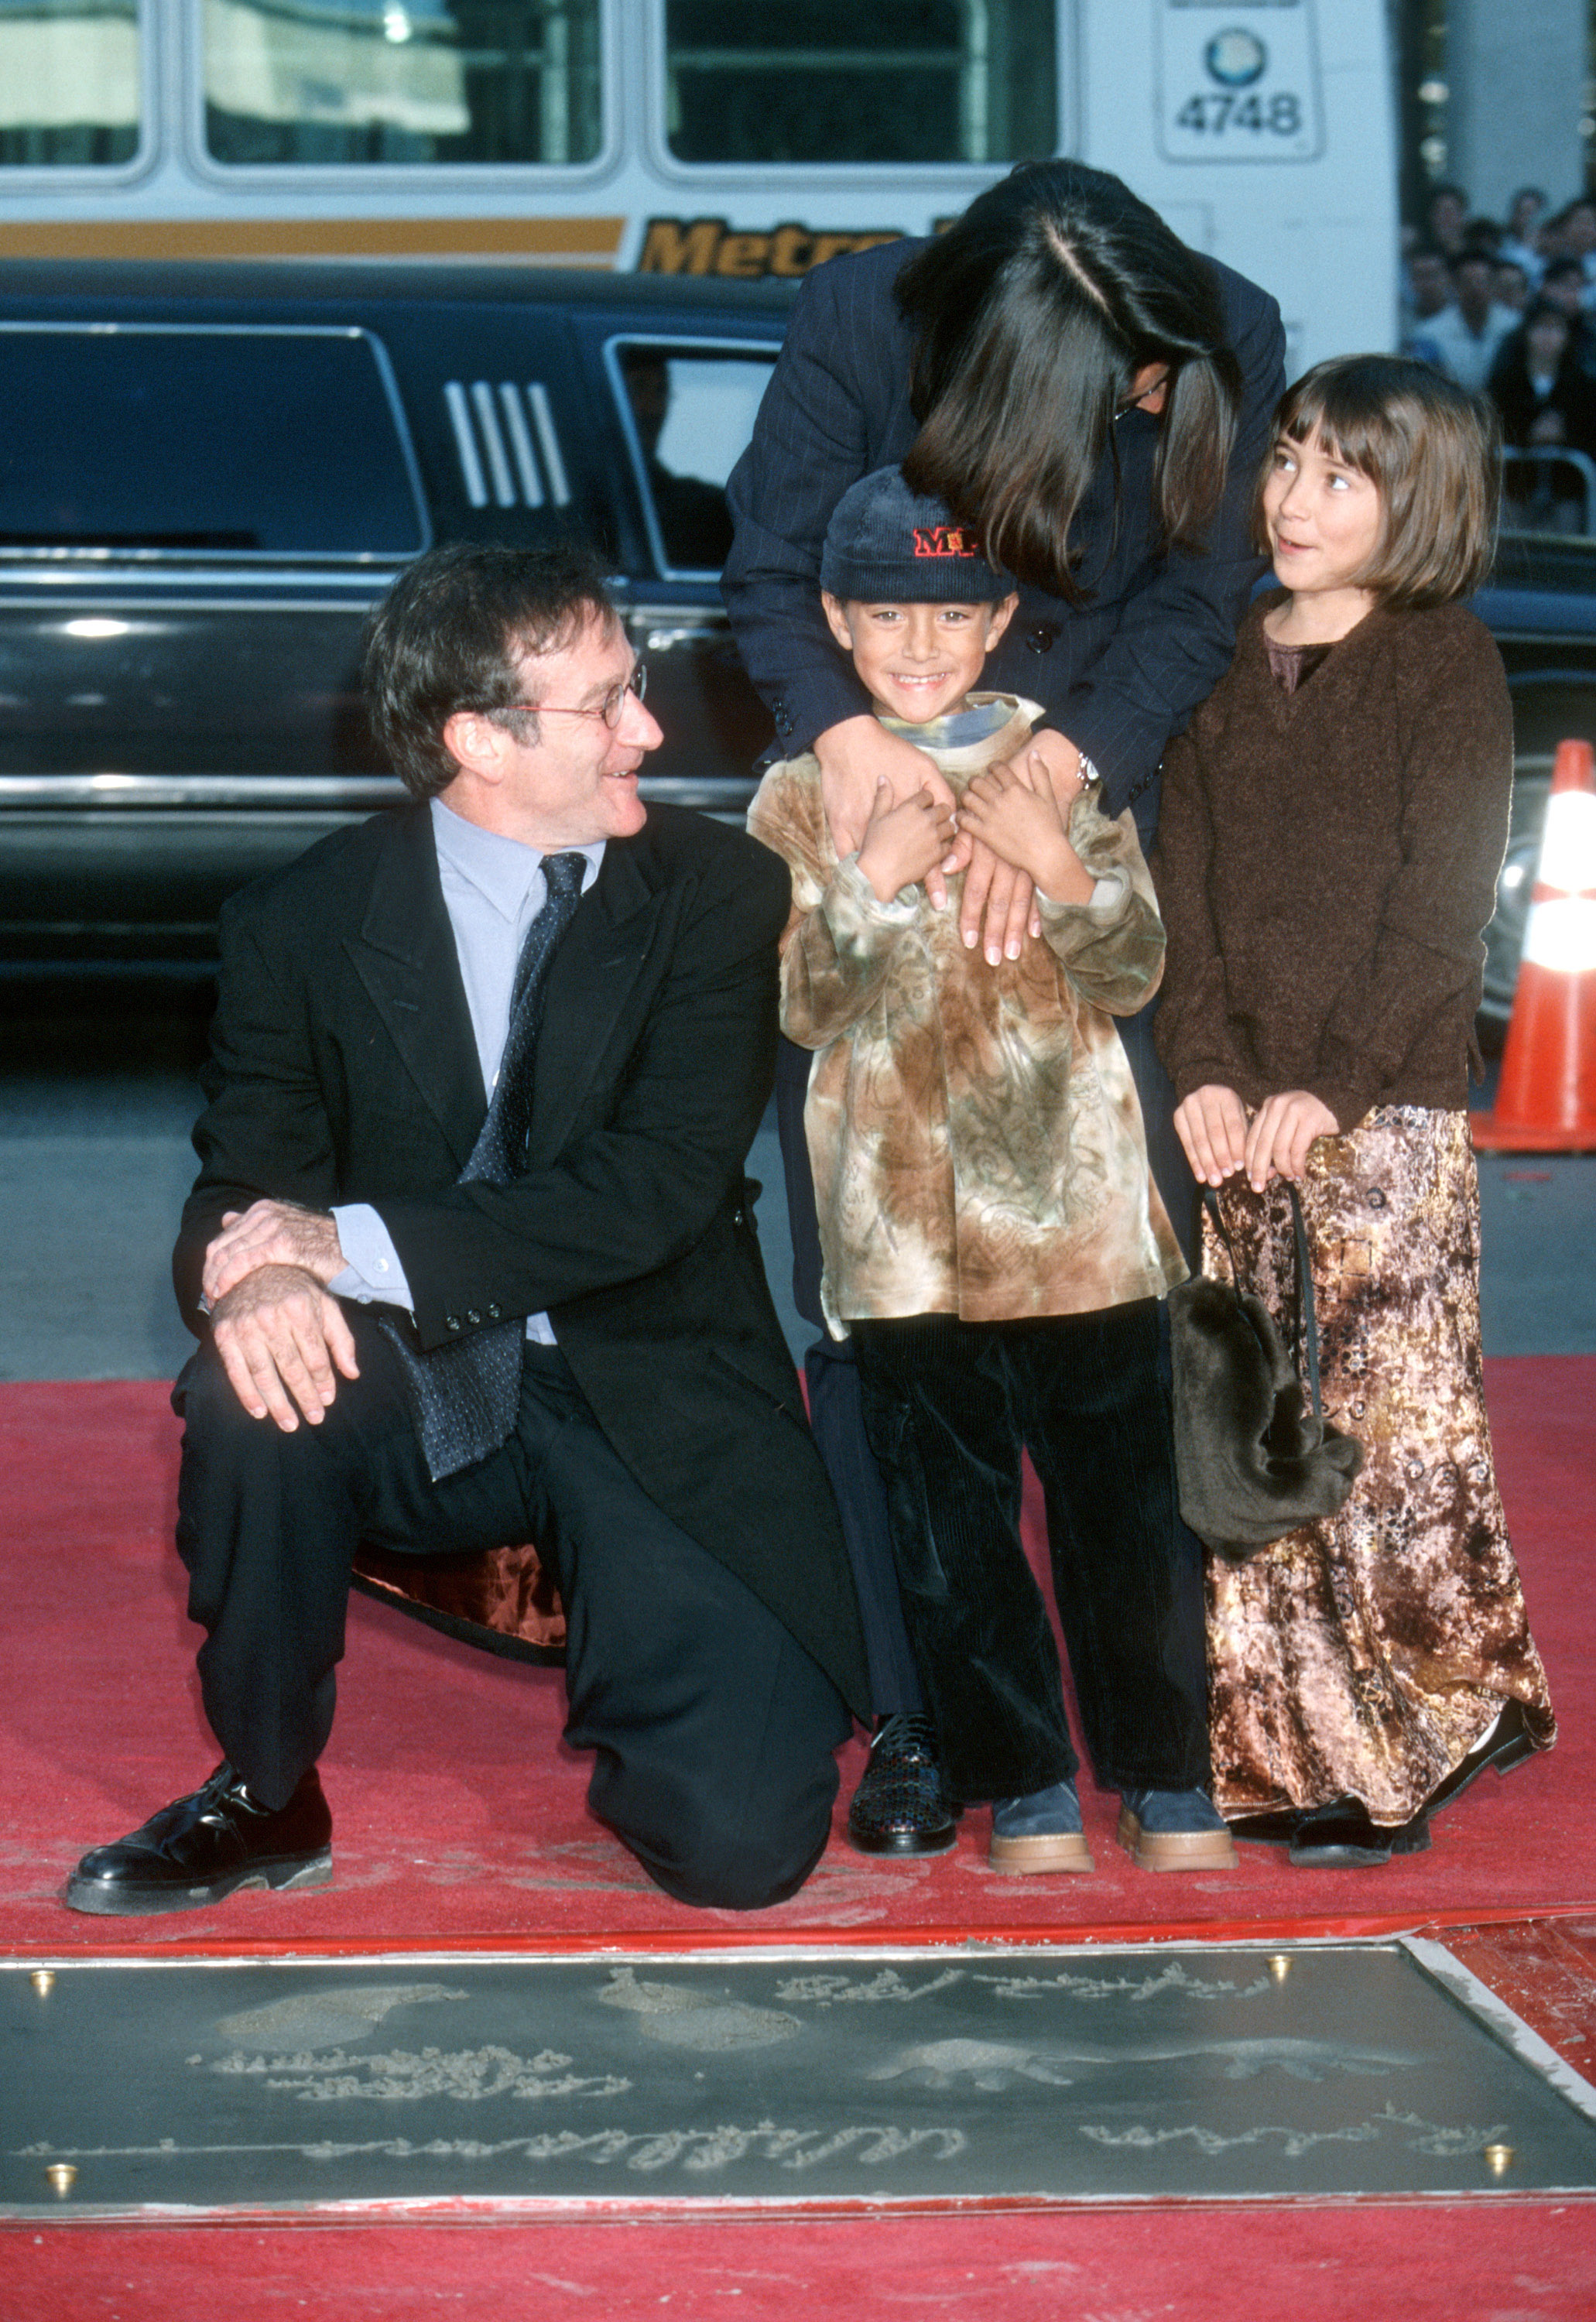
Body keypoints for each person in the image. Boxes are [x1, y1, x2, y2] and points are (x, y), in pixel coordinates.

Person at [64, 541, 868, 1920]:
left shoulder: (715, 895)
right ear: (475, 743)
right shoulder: (301, 921)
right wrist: (252, 1282)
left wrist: (343, 1246)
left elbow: (655, 1189)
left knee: (734, 1853)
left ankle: (644, 1653)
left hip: (651, 1379)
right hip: (422, 1380)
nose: (650, 729)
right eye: (607, 703)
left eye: (638, 689)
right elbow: (240, 1186)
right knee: (253, 1390)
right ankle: (264, 1793)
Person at [723, 159, 1284, 1852]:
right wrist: (872, 772)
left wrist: (1055, 773)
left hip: (1080, 801)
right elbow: (768, 573)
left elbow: (1195, 597)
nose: (1140, 403)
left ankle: (1163, 1726)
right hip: (874, 789)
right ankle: (929, 1718)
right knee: (881, 1330)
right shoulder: (861, 316)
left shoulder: (1223, 321)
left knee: (1124, 1317)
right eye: (1107, 390)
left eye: (1153, 384)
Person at [1150, 356, 1557, 1868]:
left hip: (1370, 1119)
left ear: (1421, 504)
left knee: (1376, 1433)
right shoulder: (1218, 650)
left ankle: (1400, 1736)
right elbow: (1174, 883)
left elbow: (1435, 910)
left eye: (1340, 476)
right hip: (1226, 1117)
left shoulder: (1437, 658)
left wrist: (1318, 1086)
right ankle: (1275, 1742)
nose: (1292, 499)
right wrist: (1201, 1063)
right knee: (1246, 1428)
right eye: (1286, 462)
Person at [1409, 248, 1515, 392]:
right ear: (1455, 286)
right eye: (1467, 282)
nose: (1475, 289)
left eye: (1482, 282)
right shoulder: (1430, 333)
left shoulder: (1514, 326)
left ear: (1494, 285)